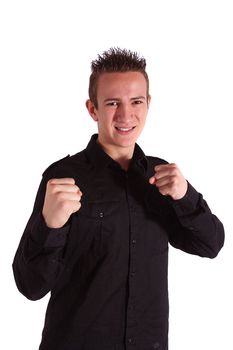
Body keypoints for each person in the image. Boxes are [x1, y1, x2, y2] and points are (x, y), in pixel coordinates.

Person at [12, 47, 224, 350]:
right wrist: (51, 225)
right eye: (112, 103)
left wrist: (185, 196)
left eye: (136, 101)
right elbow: (30, 286)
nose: (126, 115)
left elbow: (210, 244)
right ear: (93, 109)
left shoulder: (161, 176)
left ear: (148, 104)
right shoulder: (62, 179)